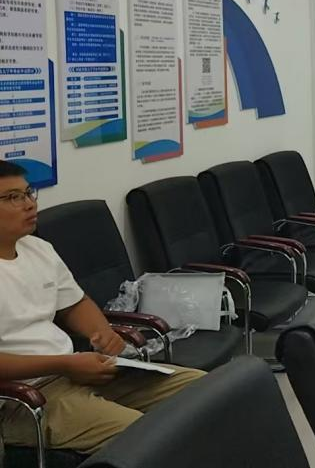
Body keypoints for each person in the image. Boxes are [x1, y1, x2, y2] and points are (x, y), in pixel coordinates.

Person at [0, 161, 204, 454]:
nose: (30, 204)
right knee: (151, 439)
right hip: (22, 398)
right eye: (13, 197)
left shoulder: (38, 249)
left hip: (73, 370)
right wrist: (64, 364)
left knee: (204, 391)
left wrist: (102, 333)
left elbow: (74, 303)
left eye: (28, 192)